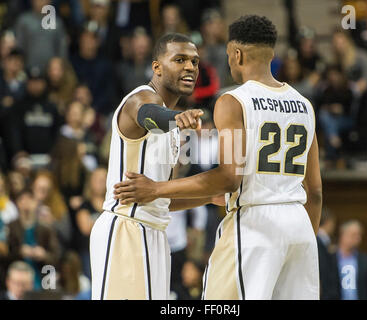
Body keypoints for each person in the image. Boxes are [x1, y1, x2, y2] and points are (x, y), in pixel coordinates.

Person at [114, 15, 322, 300]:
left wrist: (156, 189)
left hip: (255, 224)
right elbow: (316, 191)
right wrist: (303, 239)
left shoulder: (233, 100)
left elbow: (228, 177)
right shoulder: (304, 105)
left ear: (236, 54)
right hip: (300, 227)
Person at [90, 32, 205, 300]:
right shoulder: (140, 99)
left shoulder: (175, 127)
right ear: (157, 67)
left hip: (156, 234)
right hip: (125, 230)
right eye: (180, 60)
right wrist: (177, 117)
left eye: (195, 62)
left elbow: (158, 195)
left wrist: (208, 195)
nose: (190, 67)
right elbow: (151, 115)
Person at [332, 220, 367, 300]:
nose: (358, 238)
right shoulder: (330, 258)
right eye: (354, 235)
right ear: (343, 235)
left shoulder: (366, 260)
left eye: (359, 235)